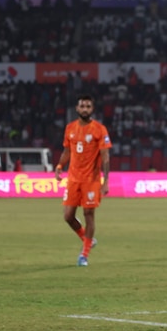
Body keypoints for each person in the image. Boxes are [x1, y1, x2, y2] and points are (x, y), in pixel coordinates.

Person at [55, 95, 111, 267]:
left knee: (89, 215)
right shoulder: (70, 128)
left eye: (88, 106)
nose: (85, 109)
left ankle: (84, 254)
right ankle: (87, 239)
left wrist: (105, 181)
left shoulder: (99, 129)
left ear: (92, 109)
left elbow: (105, 157)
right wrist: (59, 166)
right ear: (77, 109)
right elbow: (67, 151)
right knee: (68, 216)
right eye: (82, 106)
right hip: (73, 179)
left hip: (91, 180)